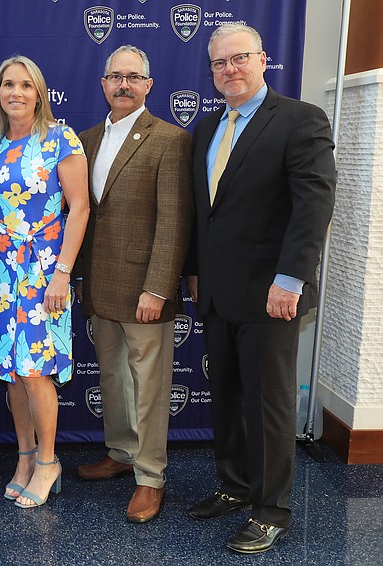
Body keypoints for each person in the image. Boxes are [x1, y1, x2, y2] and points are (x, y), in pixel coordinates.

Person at [186, 24, 336, 553]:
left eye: (240, 58)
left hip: (272, 294)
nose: (230, 69)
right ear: (211, 72)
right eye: (220, 63)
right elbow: (204, 214)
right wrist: (192, 272)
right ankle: (234, 486)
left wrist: (290, 279)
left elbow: (312, 207)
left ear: (263, 60)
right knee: (226, 398)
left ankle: (271, 510)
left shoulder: (300, 121)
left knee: (268, 404)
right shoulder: (206, 129)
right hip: (218, 294)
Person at [74, 45, 192, 523]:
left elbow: (174, 222)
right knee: (113, 378)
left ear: (148, 85)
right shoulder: (84, 140)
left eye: (133, 77)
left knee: (149, 387)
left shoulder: (169, 139)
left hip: (146, 289)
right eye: (114, 77)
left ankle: (150, 478)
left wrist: (159, 287)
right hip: (99, 287)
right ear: (102, 84)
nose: (123, 85)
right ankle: (121, 453)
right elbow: (81, 214)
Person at [0, 56, 89, 509]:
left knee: (36, 370)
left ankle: (48, 462)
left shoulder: (61, 139)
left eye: (26, 85)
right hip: (1, 270)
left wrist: (62, 272)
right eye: (8, 84)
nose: (16, 92)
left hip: (45, 268)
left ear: (39, 93)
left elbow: (79, 208)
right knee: (10, 370)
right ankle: (24, 458)